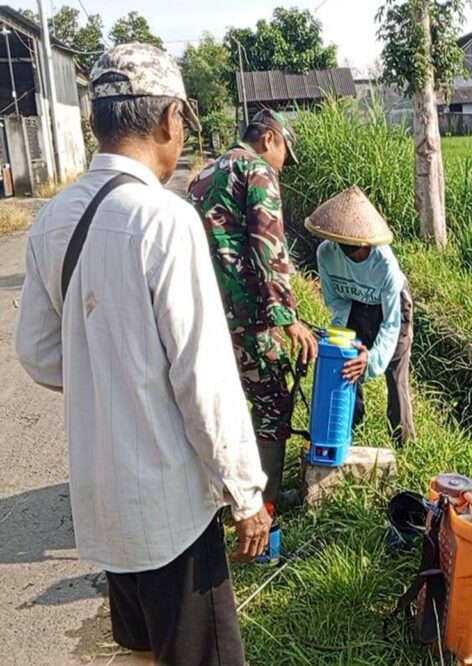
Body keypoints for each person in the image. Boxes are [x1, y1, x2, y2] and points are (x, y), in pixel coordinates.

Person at [15, 43, 268, 665]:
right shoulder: (164, 219)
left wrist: (108, 370)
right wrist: (246, 493)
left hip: (103, 508)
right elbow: (203, 379)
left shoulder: (51, 220)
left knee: (143, 652)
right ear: (166, 121)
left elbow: (38, 353)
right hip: (169, 515)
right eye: (183, 121)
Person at [187, 109, 318, 517]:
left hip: (205, 316)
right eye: (284, 155)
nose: (283, 166)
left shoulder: (204, 176)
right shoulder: (257, 171)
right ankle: (264, 501)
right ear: (270, 140)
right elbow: (269, 248)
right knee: (273, 401)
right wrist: (288, 318)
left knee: (219, 403)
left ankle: (218, 494)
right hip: (248, 317)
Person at [305, 185, 415, 445]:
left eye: (358, 250)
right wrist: (342, 341)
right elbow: (338, 301)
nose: (353, 254)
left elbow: (391, 323)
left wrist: (373, 360)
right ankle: (350, 430)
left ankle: (403, 442)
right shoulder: (326, 254)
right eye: (346, 248)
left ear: (368, 243)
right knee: (347, 363)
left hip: (391, 307)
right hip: (354, 303)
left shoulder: (384, 264)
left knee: (395, 372)